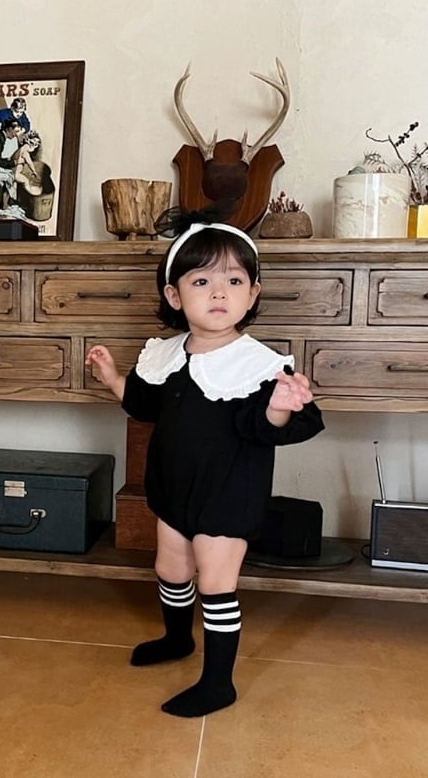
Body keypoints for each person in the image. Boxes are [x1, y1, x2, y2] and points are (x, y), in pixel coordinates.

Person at [85, 212, 324, 717]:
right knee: (170, 567)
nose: (219, 292)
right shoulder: (165, 355)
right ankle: (177, 639)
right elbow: (144, 405)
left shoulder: (260, 364)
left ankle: (219, 683)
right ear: (175, 296)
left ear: (252, 294)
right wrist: (112, 378)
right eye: (201, 282)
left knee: (216, 583)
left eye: (233, 281)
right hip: (174, 489)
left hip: (227, 495)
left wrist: (281, 405)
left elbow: (268, 428)